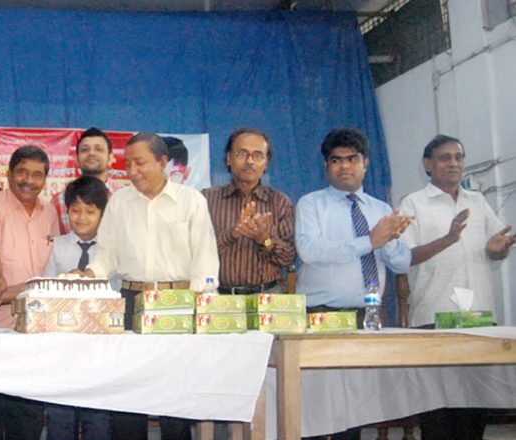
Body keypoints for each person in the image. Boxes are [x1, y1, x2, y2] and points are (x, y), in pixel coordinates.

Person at [82, 132, 219, 440]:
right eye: (127, 164)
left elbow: (205, 261)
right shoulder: (119, 201)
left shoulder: (190, 201)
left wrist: (201, 309)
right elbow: (107, 255)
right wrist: (89, 275)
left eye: (140, 163)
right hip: (130, 300)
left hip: (178, 302)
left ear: (162, 162)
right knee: (128, 392)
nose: (132, 171)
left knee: (175, 395)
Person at [295, 128, 412, 440]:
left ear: (366, 163)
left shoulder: (381, 209)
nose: (344, 166)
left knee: (357, 398)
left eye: (352, 159)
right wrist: (369, 240)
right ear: (326, 166)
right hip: (320, 312)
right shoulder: (311, 204)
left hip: (369, 312)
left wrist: (387, 241)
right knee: (318, 397)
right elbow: (310, 250)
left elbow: (401, 263)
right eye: (336, 160)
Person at [399, 135, 515, 440]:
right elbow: (406, 257)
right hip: (433, 319)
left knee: (473, 411)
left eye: (458, 157)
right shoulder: (413, 203)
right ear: (428, 164)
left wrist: (498, 248)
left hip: (478, 320)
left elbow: (495, 250)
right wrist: (448, 239)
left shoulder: (477, 201)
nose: (454, 163)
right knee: (437, 413)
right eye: (445, 158)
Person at [0, 144, 59, 439]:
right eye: (22, 171)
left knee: (30, 405)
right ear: (9, 173)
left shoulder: (49, 211)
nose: (29, 180)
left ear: (45, 179)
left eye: (37, 174)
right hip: (3, 315)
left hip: (39, 323)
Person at [43, 176, 113, 440]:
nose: (82, 217)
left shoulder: (111, 249)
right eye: (75, 210)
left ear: (103, 213)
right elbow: (47, 288)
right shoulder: (57, 246)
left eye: (90, 211)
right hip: (64, 344)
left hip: (100, 345)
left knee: (98, 415)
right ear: (67, 210)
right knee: (61, 413)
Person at [202, 128, 296, 294]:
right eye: (242, 154)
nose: (250, 161)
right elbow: (196, 253)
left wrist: (264, 239)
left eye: (258, 155)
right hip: (219, 298)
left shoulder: (279, 202)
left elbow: (288, 258)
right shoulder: (207, 200)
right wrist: (232, 234)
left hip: (268, 296)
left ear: (266, 163)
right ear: (229, 159)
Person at [50, 127, 124, 234]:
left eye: (99, 149)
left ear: (111, 158)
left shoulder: (124, 198)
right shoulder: (59, 201)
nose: (91, 153)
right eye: (85, 149)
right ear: (76, 159)